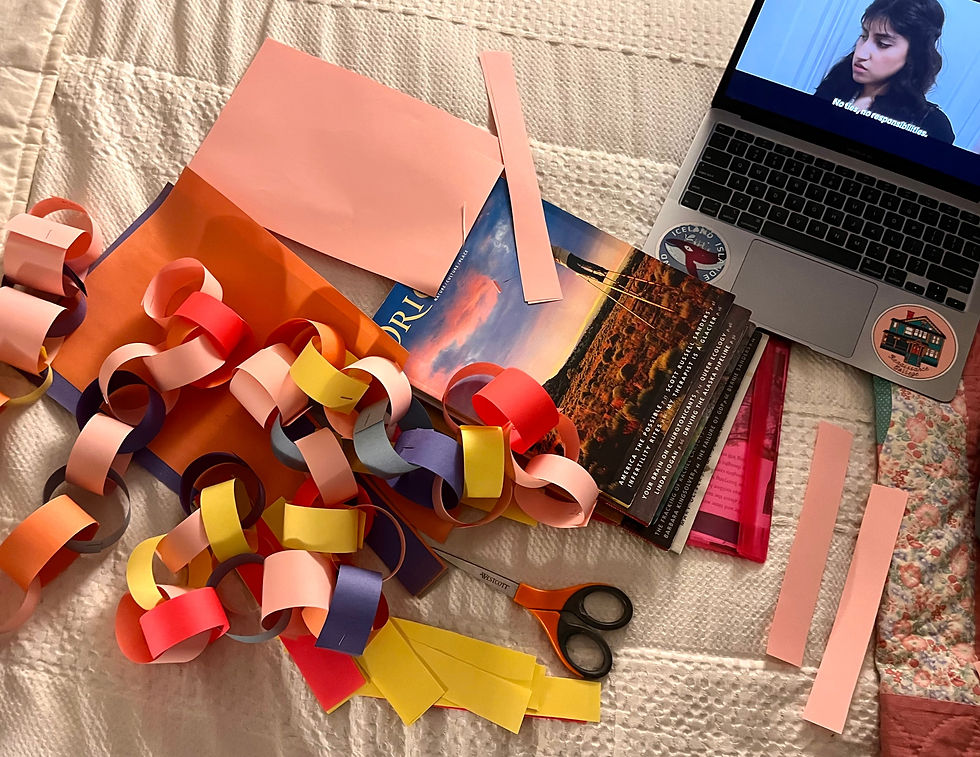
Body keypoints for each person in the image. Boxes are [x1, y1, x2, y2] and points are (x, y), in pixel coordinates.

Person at [814, 0, 955, 143]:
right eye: (864, 36)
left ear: (914, 55)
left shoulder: (933, 126)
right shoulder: (836, 84)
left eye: (882, 44)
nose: (861, 53)